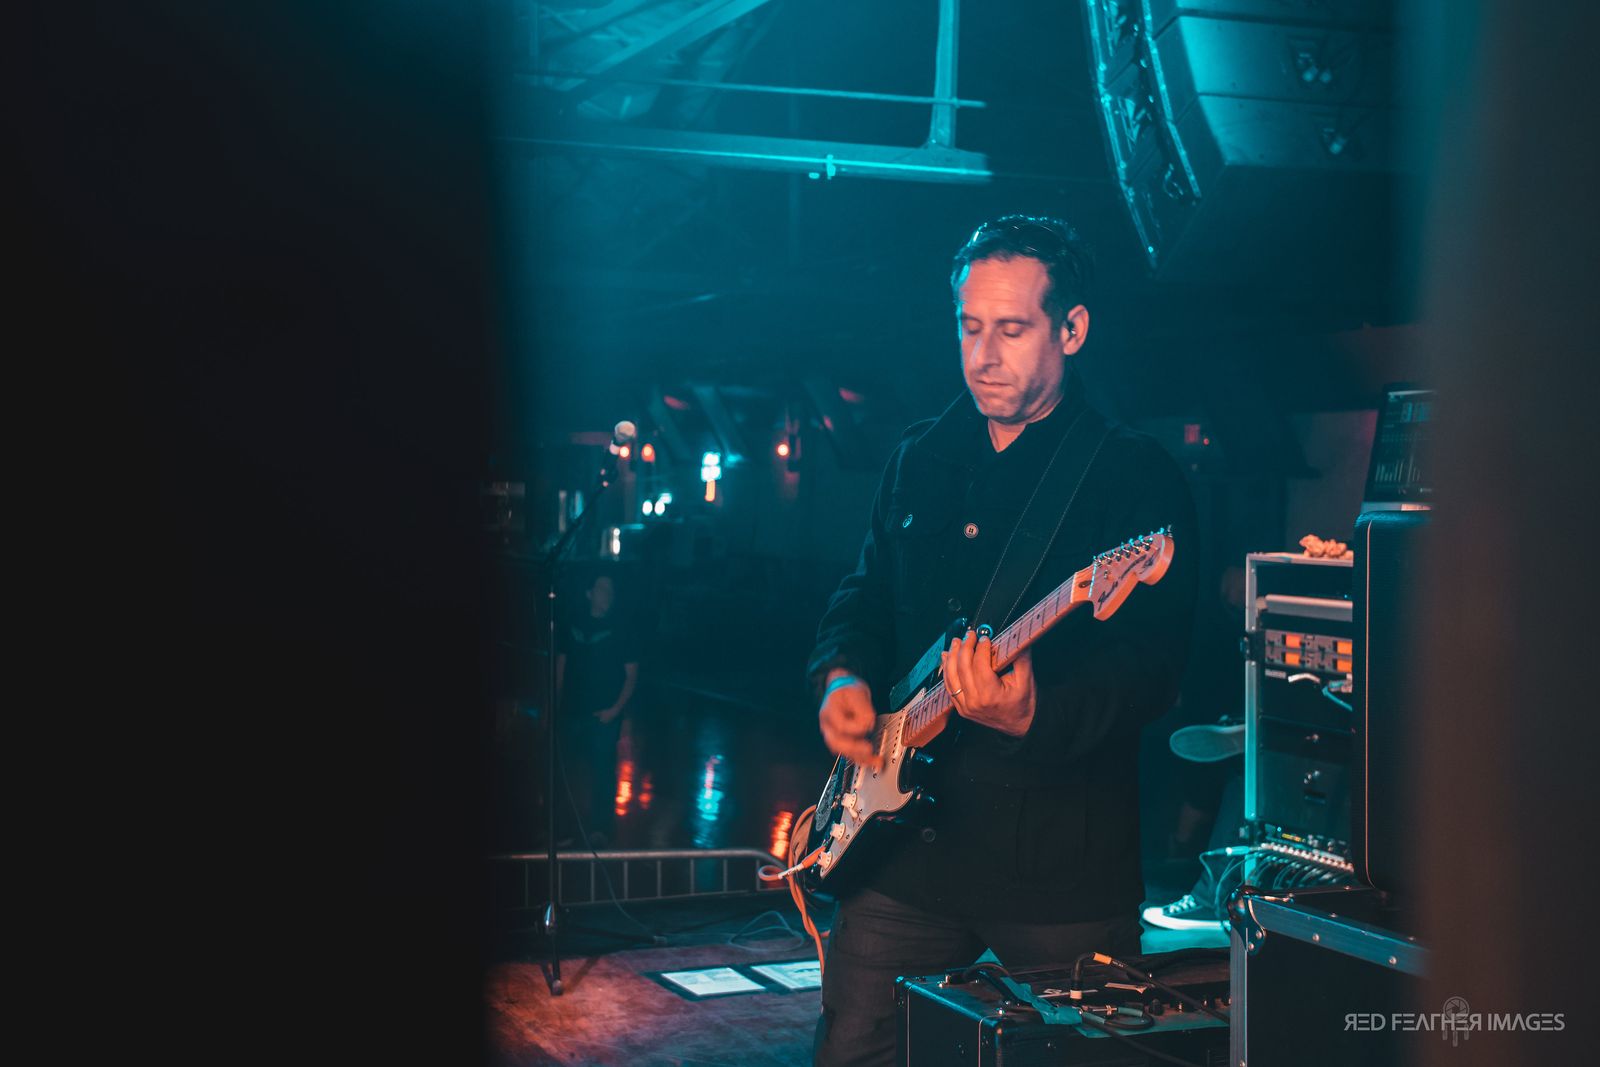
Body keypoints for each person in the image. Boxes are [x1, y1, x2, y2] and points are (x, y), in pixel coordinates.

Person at [807, 215, 1199, 1067]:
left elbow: (1157, 672)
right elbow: (864, 594)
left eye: (1012, 329)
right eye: (969, 326)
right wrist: (842, 678)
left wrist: (1034, 714)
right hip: (900, 854)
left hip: (1059, 867)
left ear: (1072, 329)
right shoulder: (918, 457)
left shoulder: (1134, 475)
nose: (983, 355)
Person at [556, 571, 639, 846]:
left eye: (611, 590)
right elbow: (561, 666)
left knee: (603, 773)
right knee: (564, 773)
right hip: (571, 712)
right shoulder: (572, 623)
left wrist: (616, 711)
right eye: (602, 589)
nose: (608, 595)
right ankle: (563, 830)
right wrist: (555, 703)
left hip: (603, 716)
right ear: (589, 593)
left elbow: (631, 675)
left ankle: (600, 830)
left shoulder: (622, 630)